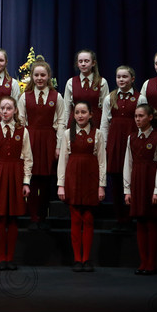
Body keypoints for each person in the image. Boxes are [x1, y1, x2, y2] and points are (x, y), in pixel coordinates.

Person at [57, 101, 106, 272]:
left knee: (89, 220)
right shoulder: (67, 134)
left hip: (90, 179)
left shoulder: (97, 134)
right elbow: (62, 161)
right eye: (77, 112)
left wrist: (101, 185)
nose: (80, 115)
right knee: (76, 220)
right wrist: (60, 185)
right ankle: (77, 259)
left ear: (91, 114)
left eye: (84, 112)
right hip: (73, 179)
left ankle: (87, 258)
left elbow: (102, 161)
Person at [18, 60, 67, 230]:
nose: (39, 78)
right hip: (30, 139)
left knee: (46, 180)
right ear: (32, 76)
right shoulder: (25, 96)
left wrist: (59, 146)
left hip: (49, 140)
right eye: (36, 75)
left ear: (48, 77)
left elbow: (61, 122)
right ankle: (33, 218)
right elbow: (21, 122)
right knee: (32, 178)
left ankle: (43, 217)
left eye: (43, 75)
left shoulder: (57, 97)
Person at [124, 104, 157, 275]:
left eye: (141, 116)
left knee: (151, 221)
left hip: (150, 181)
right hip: (137, 181)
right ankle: (142, 261)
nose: (138, 119)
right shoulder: (132, 138)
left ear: (150, 117)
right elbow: (128, 164)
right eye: (136, 116)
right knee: (140, 222)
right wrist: (127, 190)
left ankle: (151, 262)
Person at [0, 96, 32, 271]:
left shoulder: (22, 131)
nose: (5, 111)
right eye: (2, 108)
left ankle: (11, 257)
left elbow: (28, 158)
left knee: (13, 218)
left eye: (9, 108)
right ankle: (2, 258)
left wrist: (26, 182)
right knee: (1, 217)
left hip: (16, 174)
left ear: (15, 110)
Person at [100, 65, 139, 232]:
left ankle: (131, 218)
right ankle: (120, 218)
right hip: (115, 142)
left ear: (132, 79)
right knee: (116, 181)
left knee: (131, 180)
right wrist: (104, 145)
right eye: (118, 77)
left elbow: (142, 121)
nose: (121, 80)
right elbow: (104, 124)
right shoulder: (110, 98)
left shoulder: (140, 98)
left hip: (131, 143)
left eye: (125, 77)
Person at [63, 49, 109, 130]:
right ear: (77, 64)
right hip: (75, 125)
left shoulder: (102, 82)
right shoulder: (70, 82)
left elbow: (106, 110)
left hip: (95, 124)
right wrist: (65, 129)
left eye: (86, 61)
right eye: (80, 61)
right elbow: (66, 109)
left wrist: (104, 129)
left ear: (93, 63)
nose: (83, 64)